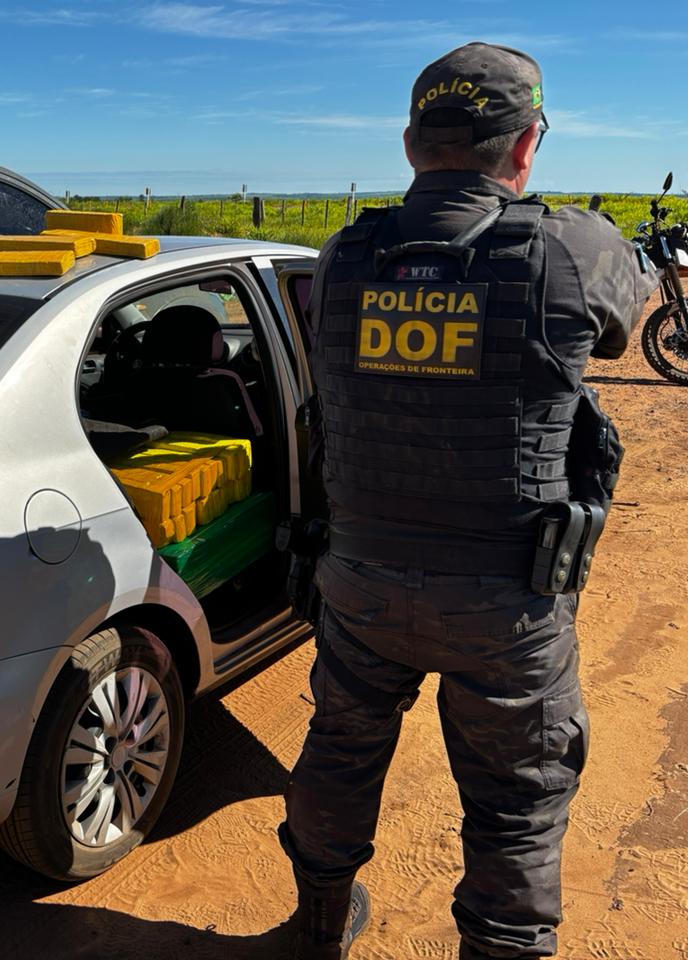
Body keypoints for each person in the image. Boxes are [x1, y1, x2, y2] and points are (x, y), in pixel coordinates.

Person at [278, 42, 658, 959]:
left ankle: (317, 928)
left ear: (412, 143)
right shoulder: (569, 243)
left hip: (359, 579)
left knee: (341, 746)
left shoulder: (345, 253)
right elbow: (622, 327)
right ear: (526, 147)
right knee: (520, 800)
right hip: (507, 597)